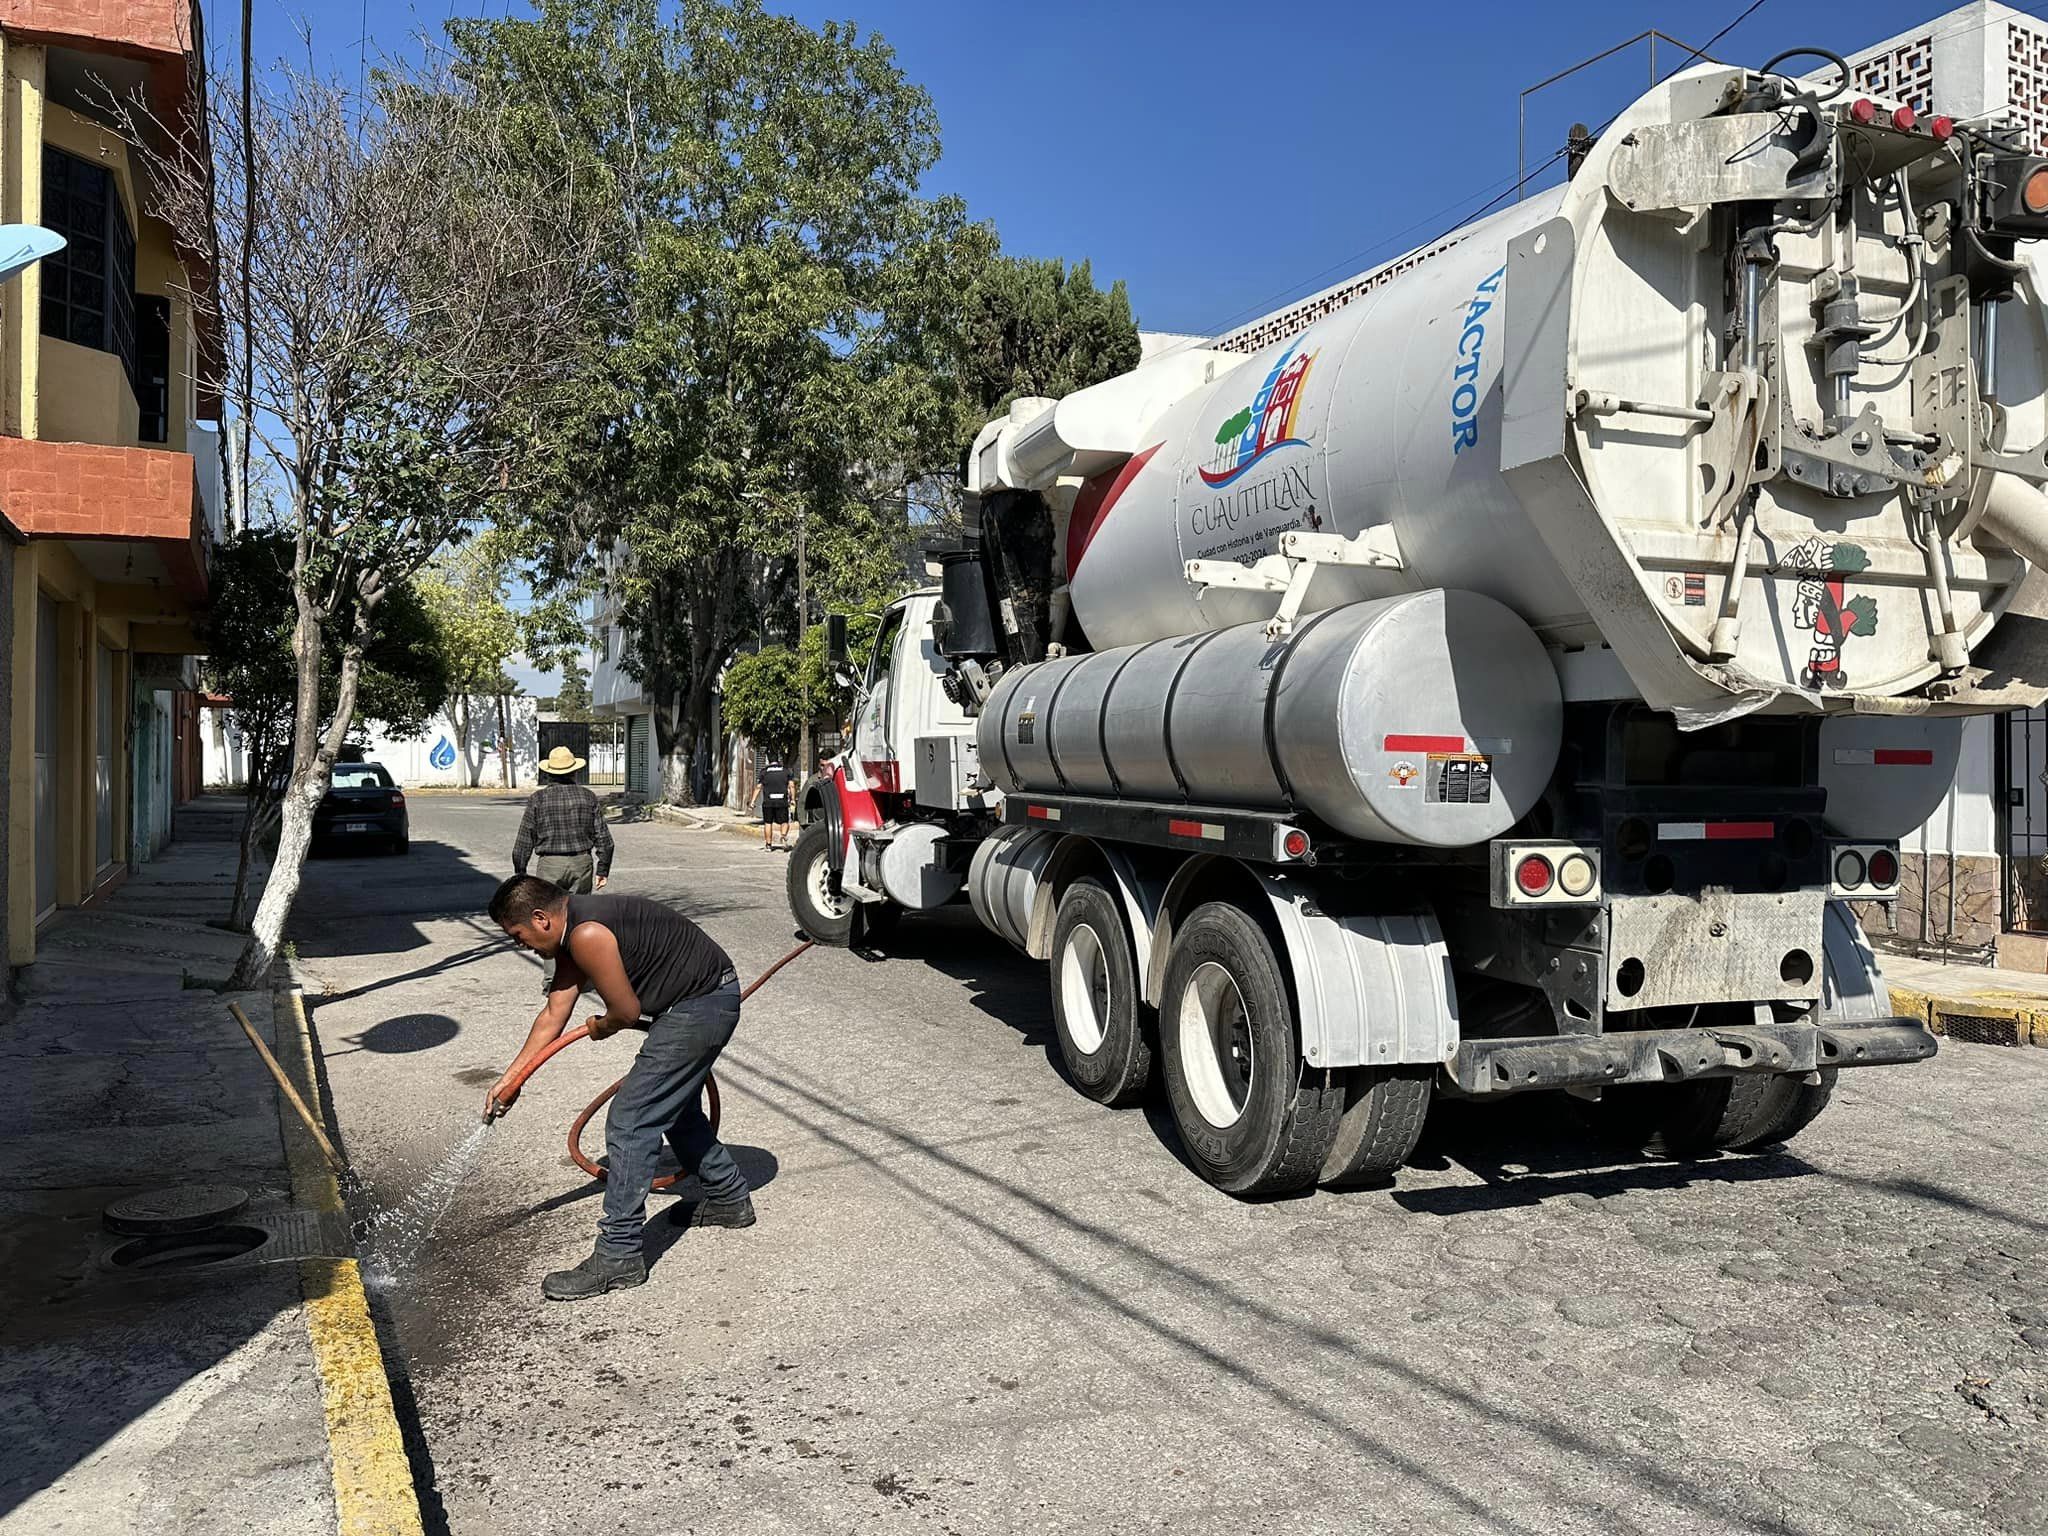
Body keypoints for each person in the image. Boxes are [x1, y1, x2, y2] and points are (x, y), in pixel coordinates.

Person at [485, 875, 755, 1301]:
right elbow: (554, 1013)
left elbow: (625, 1012)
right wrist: (513, 1078)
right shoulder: (572, 933)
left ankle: (619, 1255)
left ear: (540, 919)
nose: (521, 944)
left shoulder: (588, 933)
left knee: (631, 1121)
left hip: (703, 1004)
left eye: (518, 936)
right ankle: (728, 1197)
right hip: (695, 1002)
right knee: (673, 1107)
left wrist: (601, 1026)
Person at [513, 745, 614, 894]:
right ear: (575, 771)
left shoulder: (538, 799)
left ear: (549, 773)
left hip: (549, 865)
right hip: (581, 864)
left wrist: (520, 872)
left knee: (550, 911)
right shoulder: (588, 796)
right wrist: (602, 870)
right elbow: (604, 839)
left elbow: (524, 840)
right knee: (579, 911)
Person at [755, 753, 792, 851]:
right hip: (782, 801)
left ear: (768, 759)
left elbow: (758, 787)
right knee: (784, 821)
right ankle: (783, 836)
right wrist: (792, 799)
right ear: (778, 759)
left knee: (768, 823)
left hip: (768, 801)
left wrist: (752, 801)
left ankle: (768, 845)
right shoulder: (785, 770)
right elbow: (791, 785)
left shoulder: (764, 772)